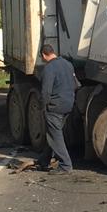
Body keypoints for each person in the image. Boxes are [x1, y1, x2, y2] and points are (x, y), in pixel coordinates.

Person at [38, 43, 76, 174]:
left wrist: (43, 106)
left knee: (56, 136)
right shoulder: (68, 64)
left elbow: (46, 91)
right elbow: (75, 84)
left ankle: (65, 165)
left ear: (43, 55)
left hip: (55, 106)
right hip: (68, 104)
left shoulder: (49, 68)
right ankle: (44, 160)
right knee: (54, 133)